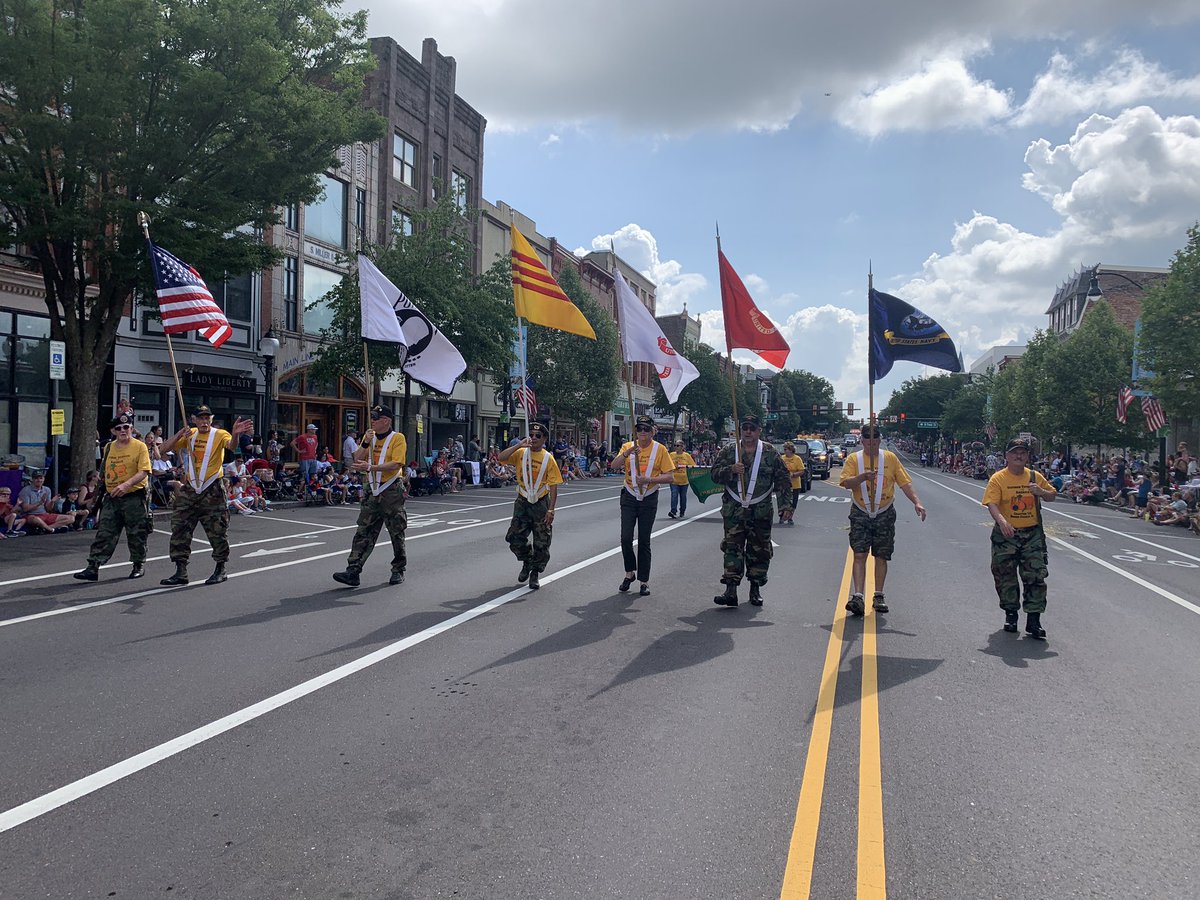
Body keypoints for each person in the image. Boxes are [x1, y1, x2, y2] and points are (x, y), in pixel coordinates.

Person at [157, 405, 254, 586]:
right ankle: (180, 571)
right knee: (180, 527)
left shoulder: (219, 434)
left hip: (212, 488)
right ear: (194, 419)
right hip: (191, 487)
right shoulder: (190, 433)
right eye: (200, 418)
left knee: (217, 529)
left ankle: (220, 568)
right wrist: (179, 435)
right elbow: (162, 449)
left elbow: (231, 446)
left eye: (207, 418)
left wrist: (236, 433)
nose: (204, 421)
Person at [838, 424, 926, 616]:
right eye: (868, 441)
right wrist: (861, 477)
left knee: (881, 555)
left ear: (879, 440)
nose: (871, 444)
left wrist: (917, 502)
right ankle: (858, 595)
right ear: (862, 440)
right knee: (859, 554)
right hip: (861, 511)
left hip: (884, 512)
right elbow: (846, 483)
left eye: (875, 441)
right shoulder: (855, 459)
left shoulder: (890, 459)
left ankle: (878, 595)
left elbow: (905, 483)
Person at [710, 414, 793, 607]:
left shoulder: (770, 452)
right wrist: (730, 469)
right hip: (734, 509)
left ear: (758, 431)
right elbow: (714, 474)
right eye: (745, 427)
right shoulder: (730, 450)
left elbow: (783, 480)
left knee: (760, 550)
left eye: (752, 428)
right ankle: (730, 590)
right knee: (732, 548)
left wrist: (786, 506)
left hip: (760, 510)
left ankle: (755, 589)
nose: (748, 431)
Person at [983, 437, 1057, 638]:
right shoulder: (998, 478)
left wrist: (1040, 492)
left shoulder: (1034, 476)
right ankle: (1011, 614)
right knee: (1005, 575)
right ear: (1007, 456)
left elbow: (1052, 495)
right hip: (1006, 535)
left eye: (1023, 453)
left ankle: (1034, 621)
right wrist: (1002, 522)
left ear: (1027, 456)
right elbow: (992, 503)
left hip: (1031, 534)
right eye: (1015, 452)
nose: (1019, 456)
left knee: (1035, 576)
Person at [332, 406, 408, 587]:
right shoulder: (370, 438)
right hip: (372, 489)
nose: (372, 421)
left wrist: (370, 468)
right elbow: (356, 458)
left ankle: (398, 569)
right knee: (364, 530)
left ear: (386, 421)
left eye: (376, 418)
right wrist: (365, 442)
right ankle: (353, 570)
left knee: (396, 531)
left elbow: (396, 463)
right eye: (372, 418)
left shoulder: (398, 438)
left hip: (391, 489)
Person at [73, 414, 153, 580]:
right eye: (119, 428)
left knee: (136, 532)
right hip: (112, 497)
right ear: (113, 431)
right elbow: (104, 472)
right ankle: (93, 567)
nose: (123, 430)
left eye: (126, 427)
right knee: (105, 532)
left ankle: (138, 565)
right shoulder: (108, 447)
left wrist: (126, 485)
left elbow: (144, 471)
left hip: (133, 496)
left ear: (131, 428)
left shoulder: (140, 446)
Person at [608, 416, 678, 595]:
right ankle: (629, 572)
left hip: (649, 497)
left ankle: (644, 581)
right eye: (640, 429)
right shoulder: (628, 447)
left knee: (644, 540)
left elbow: (670, 476)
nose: (643, 432)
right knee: (625, 537)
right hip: (629, 496)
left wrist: (649, 479)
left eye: (646, 429)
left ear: (652, 431)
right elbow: (613, 465)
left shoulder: (660, 449)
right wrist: (626, 453)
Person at [497, 421, 561, 590]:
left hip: (541, 501)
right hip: (523, 500)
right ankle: (527, 560)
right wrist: (519, 444)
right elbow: (501, 458)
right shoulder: (520, 453)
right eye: (531, 435)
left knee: (542, 541)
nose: (533, 438)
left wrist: (551, 509)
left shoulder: (548, 458)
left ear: (544, 439)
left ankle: (535, 572)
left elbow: (554, 485)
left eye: (537, 436)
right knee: (514, 537)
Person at [779, 441, 807, 527]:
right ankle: (782, 516)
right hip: (784, 484)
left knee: (793, 502)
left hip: (795, 484)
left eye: (786, 449)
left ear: (791, 450)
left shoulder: (797, 459)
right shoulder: (782, 458)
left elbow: (802, 471)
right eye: (784, 449)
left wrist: (794, 474)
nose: (785, 451)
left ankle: (790, 517)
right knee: (783, 501)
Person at [668, 440, 697, 519]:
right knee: (674, 495)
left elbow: (693, 466)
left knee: (683, 496)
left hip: (684, 480)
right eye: (675, 445)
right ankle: (673, 511)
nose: (676, 447)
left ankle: (682, 511)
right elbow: (667, 465)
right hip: (674, 479)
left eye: (678, 446)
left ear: (682, 447)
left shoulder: (687, 455)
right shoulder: (671, 455)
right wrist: (674, 467)